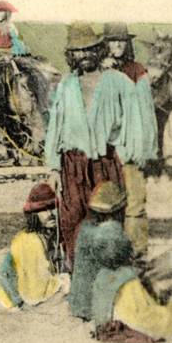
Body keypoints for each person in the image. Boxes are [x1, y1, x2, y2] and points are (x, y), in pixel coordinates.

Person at [44, 21, 133, 269]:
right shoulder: (66, 85)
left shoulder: (118, 81)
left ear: (98, 50)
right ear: (71, 55)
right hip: (72, 165)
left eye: (88, 49)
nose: (83, 55)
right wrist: (53, 168)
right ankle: (79, 275)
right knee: (73, 219)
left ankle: (110, 274)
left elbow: (133, 121)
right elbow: (55, 127)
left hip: (106, 164)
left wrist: (127, 156)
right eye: (77, 51)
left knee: (109, 219)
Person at [67, 181, 172, 341]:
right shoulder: (111, 232)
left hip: (84, 303)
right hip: (103, 301)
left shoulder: (85, 228)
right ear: (117, 211)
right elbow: (116, 262)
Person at [101, 22, 158, 257]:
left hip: (130, 148)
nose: (117, 45)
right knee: (107, 203)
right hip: (105, 150)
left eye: (122, 41)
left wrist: (142, 147)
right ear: (105, 44)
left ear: (128, 44)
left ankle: (138, 254)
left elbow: (146, 114)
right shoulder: (97, 71)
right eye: (112, 40)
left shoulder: (137, 72)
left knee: (135, 203)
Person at [0, 182, 71, 310]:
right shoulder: (30, 240)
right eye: (43, 210)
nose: (50, 213)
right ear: (33, 214)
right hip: (17, 299)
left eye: (52, 207)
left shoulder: (51, 235)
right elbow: (35, 290)